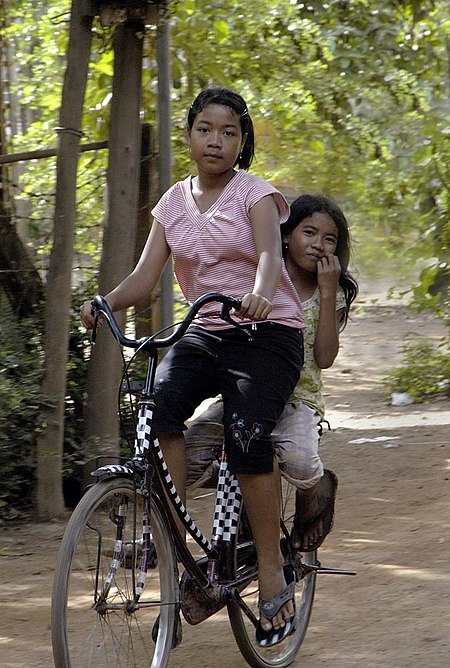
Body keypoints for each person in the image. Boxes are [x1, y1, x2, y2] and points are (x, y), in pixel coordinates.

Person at [81, 87, 304, 647]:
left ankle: (274, 574)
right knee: (158, 406)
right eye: (206, 129)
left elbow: (270, 257)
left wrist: (258, 292)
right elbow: (143, 278)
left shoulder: (255, 194)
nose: (216, 141)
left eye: (229, 132)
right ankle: (173, 541)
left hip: (266, 333)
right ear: (189, 134)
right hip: (204, 331)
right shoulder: (172, 203)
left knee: (247, 434)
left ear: (241, 141)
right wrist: (104, 302)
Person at [184, 193, 359, 551]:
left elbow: (324, 358)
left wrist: (327, 294)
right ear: (284, 235)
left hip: (298, 399)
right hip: (248, 393)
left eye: (329, 240)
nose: (318, 245)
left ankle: (316, 488)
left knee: (299, 461)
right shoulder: (258, 279)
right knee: (187, 459)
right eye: (309, 232)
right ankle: (238, 479)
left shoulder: (332, 293)